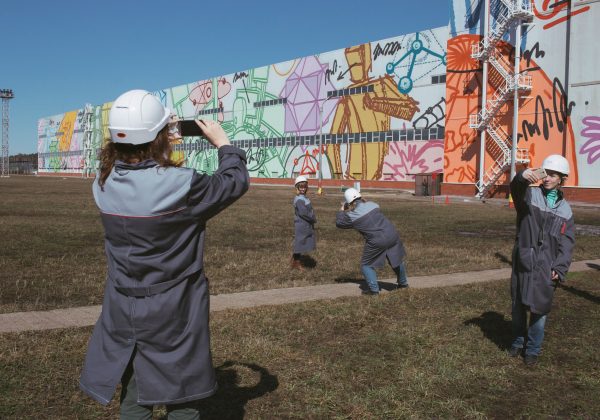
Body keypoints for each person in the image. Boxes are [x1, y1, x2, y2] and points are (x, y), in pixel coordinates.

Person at [79, 89, 249, 418]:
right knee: (183, 395)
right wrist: (224, 144)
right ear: (160, 136)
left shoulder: (102, 183)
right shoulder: (181, 185)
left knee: (135, 392)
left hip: (123, 304)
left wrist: (155, 132)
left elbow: (133, 164)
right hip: (175, 308)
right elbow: (234, 181)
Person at [508, 154, 575, 366]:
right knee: (518, 306)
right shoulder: (529, 196)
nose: (547, 178)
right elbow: (516, 190)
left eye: (553, 175)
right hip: (524, 260)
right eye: (545, 173)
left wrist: (561, 266)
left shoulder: (565, 210)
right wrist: (521, 177)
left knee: (540, 309)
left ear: (561, 179)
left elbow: (567, 242)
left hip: (547, 266)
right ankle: (518, 342)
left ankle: (533, 350)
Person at [335, 188, 408, 295]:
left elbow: (339, 223)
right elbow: (368, 207)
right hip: (392, 234)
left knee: (366, 265)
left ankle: (373, 291)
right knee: (395, 259)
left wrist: (342, 210)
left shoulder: (352, 216)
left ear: (348, 202)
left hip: (377, 240)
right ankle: (403, 284)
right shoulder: (374, 204)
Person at [291, 175, 317, 269]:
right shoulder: (299, 200)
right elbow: (303, 213)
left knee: (302, 241)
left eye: (304, 186)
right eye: (301, 187)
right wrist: (313, 218)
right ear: (297, 187)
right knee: (300, 242)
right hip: (302, 224)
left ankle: (295, 260)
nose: (303, 188)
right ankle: (296, 262)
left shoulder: (303, 197)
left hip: (306, 224)